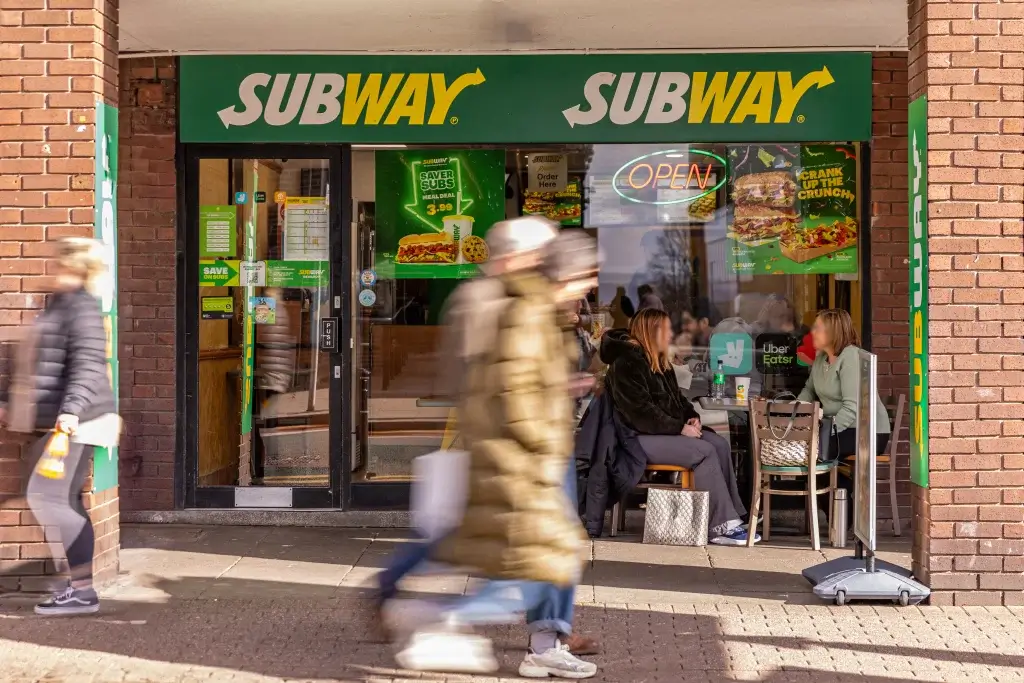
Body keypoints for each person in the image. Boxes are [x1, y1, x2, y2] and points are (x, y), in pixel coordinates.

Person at [390, 217, 596, 679]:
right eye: (584, 276)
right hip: (517, 458)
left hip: (526, 454)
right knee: (527, 558)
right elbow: (506, 389)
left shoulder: (532, 305)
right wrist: (537, 439)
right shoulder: (505, 303)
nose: (587, 287)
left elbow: (519, 380)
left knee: (543, 553)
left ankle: (543, 640)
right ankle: (438, 620)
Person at [0, 238, 119, 616]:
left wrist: (69, 415)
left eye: (57, 259)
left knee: (47, 497)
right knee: (63, 499)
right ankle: (77, 584)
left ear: (72, 264)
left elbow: (86, 365)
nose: (50, 264)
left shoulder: (81, 307)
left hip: (77, 423)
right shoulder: (62, 304)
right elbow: (40, 361)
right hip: (65, 422)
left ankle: (82, 588)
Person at [601, 308, 758, 545]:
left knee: (718, 444)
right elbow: (641, 415)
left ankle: (734, 516)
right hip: (635, 438)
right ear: (653, 331)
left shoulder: (658, 360)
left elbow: (678, 400)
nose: (672, 333)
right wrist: (680, 428)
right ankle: (720, 526)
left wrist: (691, 417)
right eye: (667, 329)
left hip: (661, 432)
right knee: (704, 453)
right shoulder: (626, 363)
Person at [797, 309, 890, 460]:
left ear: (833, 332)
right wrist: (796, 411)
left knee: (811, 447)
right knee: (802, 443)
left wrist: (824, 431)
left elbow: (851, 407)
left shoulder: (850, 357)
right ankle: (824, 483)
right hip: (838, 428)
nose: (811, 332)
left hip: (864, 430)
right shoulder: (821, 358)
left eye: (817, 328)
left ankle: (831, 484)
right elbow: (809, 389)